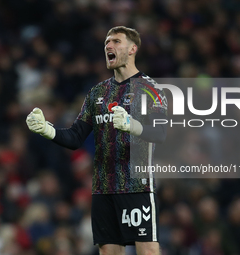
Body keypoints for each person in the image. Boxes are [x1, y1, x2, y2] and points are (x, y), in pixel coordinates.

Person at [26, 26, 167, 255]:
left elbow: (161, 134)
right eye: (106, 43)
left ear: (133, 49)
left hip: (136, 186)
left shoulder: (151, 89)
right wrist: (47, 130)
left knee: (149, 251)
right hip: (102, 188)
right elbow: (75, 137)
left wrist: (133, 125)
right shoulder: (96, 93)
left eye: (116, 41)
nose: (108, 46)